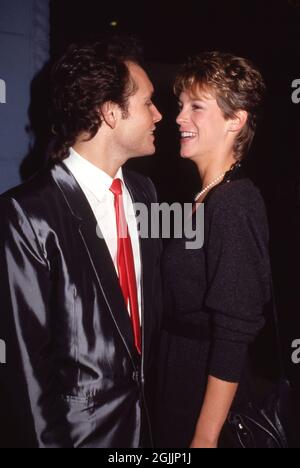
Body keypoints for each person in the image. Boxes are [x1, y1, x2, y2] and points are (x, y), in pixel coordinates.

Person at [0, 39, 162, 448]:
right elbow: (24, 371)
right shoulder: (28, 212)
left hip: (150, 433)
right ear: (110, 112)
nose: (159, 115)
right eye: (148, 103)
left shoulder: (145, 194)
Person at [155, 51, 271, 448]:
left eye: (196, 107)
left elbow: (235, 331)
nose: (178, 118)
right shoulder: (203, 198)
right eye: (181, 105)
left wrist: (205, 437)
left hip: (205, 400)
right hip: (180, 380)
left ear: (234, 121)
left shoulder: (234, 203)